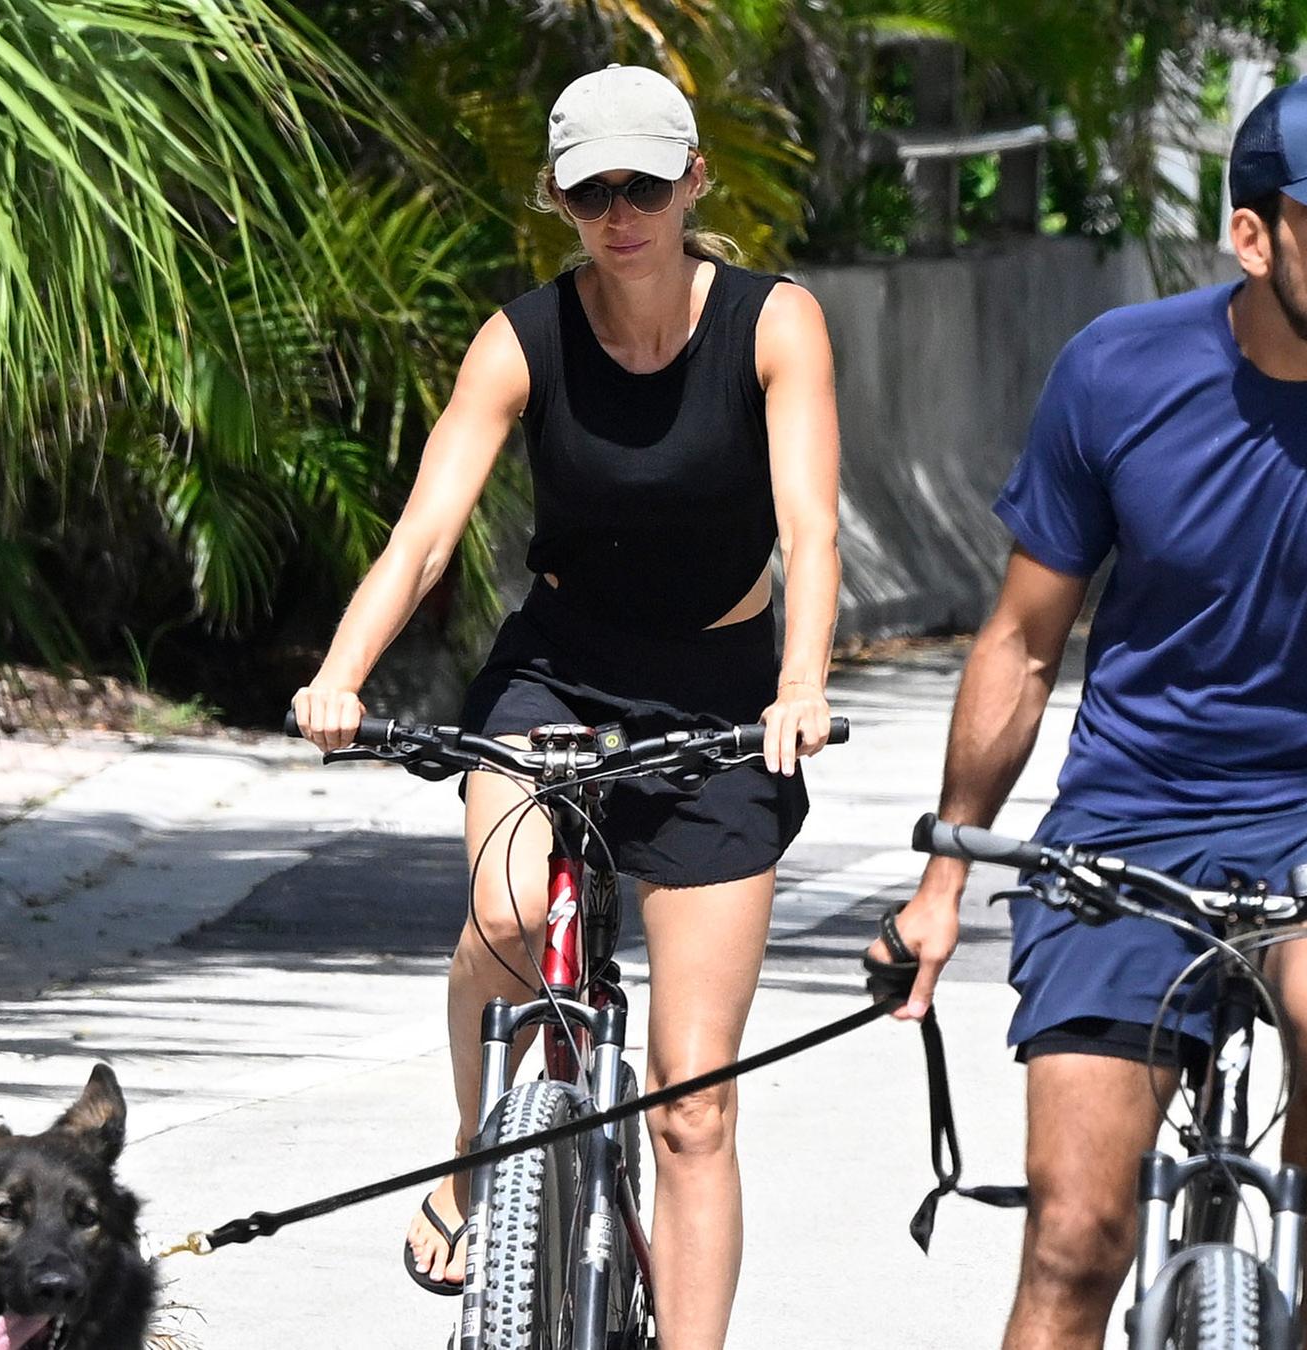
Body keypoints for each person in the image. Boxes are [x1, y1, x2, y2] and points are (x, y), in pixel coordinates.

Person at [874, 75, 1307, 1350]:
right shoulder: (1118, 374)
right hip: (1130, 815)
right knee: (1075, 1246)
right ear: (1251, 237)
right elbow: (1023, 644)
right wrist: (943, 872)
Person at [291, 64, 841, 1350]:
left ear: (693, 179)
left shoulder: (775, 325)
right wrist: (342, 674)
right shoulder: (521, 338)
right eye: (592, 189)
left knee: (693, 1103)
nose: (622, 210)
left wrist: (803, 683)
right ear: (559, 196)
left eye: (646, 183)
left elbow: (811, 529)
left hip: (720, 693)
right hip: (559, 672)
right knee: (501, 908)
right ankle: (475, 1154)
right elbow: (427, 533)